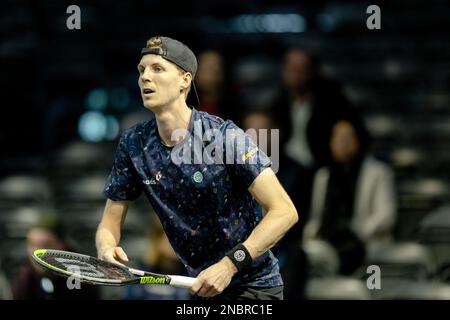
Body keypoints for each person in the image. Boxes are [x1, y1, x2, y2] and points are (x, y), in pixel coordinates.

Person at [95, 36, 298, 300]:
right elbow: (109, 224)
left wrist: (229, 265)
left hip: (253, 287)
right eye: (141, 70)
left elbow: (284, 212)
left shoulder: (224, 136)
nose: (145, 77)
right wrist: (106, 247)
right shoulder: (134, 144)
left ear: (185, 80)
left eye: (157, 69)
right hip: (199, 289)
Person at [303, 116, 397, 274]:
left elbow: (386, 215)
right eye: (337, 138)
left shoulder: (378, 172)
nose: (342, 143)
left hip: (365, 242)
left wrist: (359, 232)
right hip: (327, 243)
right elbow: (316, 216)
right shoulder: (323, 175)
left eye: (347, 137)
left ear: (359, 140)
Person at [11, 213, 100, 300]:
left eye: (46, 245)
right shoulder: (24, 278)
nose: (38, 253)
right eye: (33, 244)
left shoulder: (81, 276)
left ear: (62, 246)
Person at [123, 214, 191, 300]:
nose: (179, 243)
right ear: (157, 238)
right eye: (172, 237)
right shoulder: (141, 270)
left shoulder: (191, 274)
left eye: (183, 238)